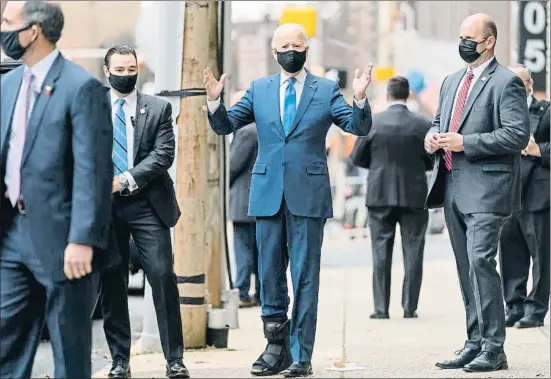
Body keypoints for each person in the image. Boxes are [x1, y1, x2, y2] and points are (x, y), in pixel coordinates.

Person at [204, 23, 374, 378]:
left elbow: (356, 127)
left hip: (308, 196)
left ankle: (301, 355)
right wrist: (214, 102)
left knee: (305, 277)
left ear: (307, 49)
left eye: (298, 44)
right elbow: (225, 125)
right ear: (273, 52)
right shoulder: (259, 89)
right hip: (267, 195)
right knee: (268, 274)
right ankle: (275, 346)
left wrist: (358, 98)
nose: (291, 50)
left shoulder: (325, 89)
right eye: (285, 46)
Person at [0, 1, 115, 378]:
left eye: (7, 22)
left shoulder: (82, 88)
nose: (2, 29)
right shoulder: (7, 85)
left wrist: (82, 238)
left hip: (64, 243)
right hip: (12, 237)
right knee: (6, 345)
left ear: (33, 31)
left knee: (69, 351)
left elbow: (92, 170)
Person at [424, 13, 529, 372]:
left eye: (471, 38)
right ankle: (474, 342)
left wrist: (464, 142)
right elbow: (439, 121)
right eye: (461, 37)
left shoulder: (507, 82)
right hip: (452, 185)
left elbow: (516, 135)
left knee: (481, 261)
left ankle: (494, 347)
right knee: (466, 267)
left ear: (489, 42)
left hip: (488, 189)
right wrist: (432, 136)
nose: (464, 43)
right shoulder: (452, 81)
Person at [98, 45, 189, 379]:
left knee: (163, 275)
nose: (126, 75)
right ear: (106, 71)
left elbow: (163, 154)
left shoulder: (158, 108)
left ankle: (175, 359)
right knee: (112, 279)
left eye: (131, 69)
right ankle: (119, 360)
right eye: (119, 70)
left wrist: (124, 179)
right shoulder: (92, 108)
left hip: (147, 202)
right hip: (105, 207)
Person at [350, 76, 433, 320]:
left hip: (380, 195)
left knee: (380, 252)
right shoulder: (422, 124)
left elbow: (357, 157)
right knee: (414, 251)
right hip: (415, 195)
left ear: (387, 95)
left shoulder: (374, 123)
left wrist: (377, 167)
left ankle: (381, 308)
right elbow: (432, 159)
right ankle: (409, 307)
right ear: (408, 95)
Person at [499, 64, 550, 329]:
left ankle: (536, 309)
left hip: (538, 195)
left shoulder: (546, 110)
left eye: (519, 83)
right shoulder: (499, 113)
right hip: (508, 193)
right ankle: (514, 305)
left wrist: (537, 150)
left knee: (541, 255)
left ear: (529, 84)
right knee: (510, 252)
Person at [229, 121, 261, 308]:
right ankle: (261, 293)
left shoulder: (246, 132)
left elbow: (233, 165)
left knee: (243, 250)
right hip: (260, 199)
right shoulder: (265, 126)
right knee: (260, 252)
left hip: (244, 199)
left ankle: (241, 292)